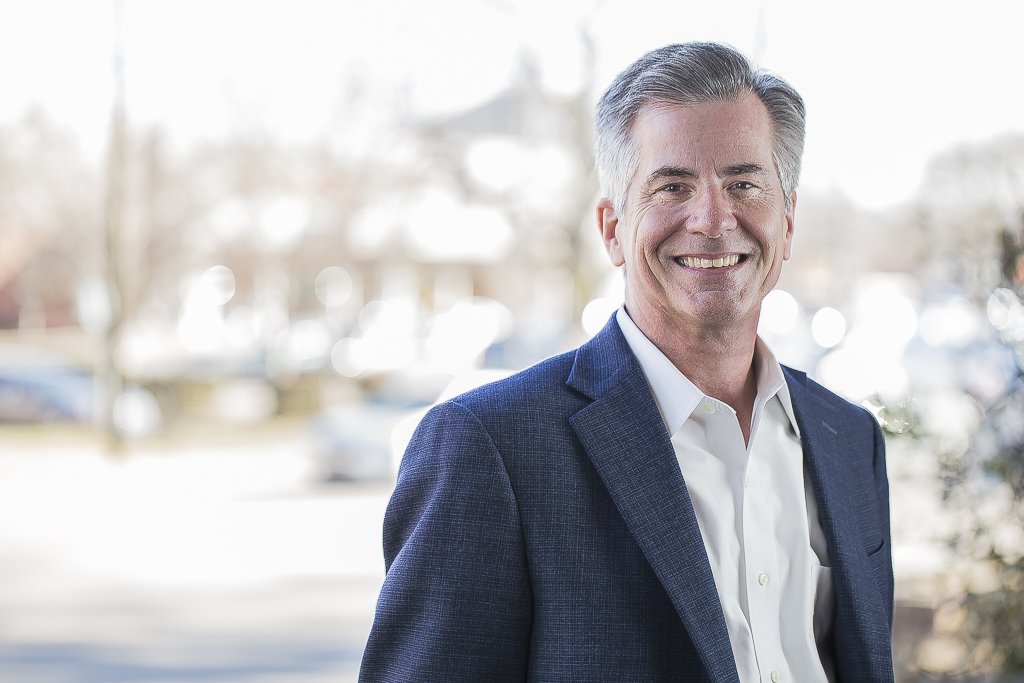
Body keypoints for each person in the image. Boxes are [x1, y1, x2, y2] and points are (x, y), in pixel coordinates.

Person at [358, 42, 894, 682]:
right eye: (672, 186)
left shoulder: (848, 440)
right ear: (612, 228)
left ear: (789, 218)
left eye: (744, 184)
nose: (712, 219)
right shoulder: (488, 448)